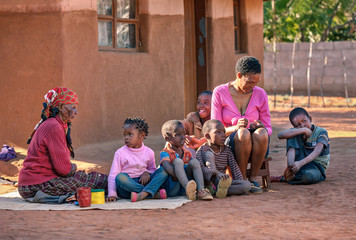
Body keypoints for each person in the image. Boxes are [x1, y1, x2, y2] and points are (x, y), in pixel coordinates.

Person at [18, 87, 108, 202]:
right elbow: (64, 170)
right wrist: (73, 168)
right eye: (73, 107)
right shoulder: (55, 127)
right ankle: (126, 186)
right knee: (94, 180)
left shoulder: (53, 124)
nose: (76, 112)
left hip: (30, 184)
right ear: (61, 107)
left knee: (85, 178)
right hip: (36, 185)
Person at [211, 56, 271, 194]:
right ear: (239, 75)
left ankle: (253, 178)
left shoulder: (260, 94)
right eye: (249, 82)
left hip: (258, 146)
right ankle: (242, 178)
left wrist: (260, 126)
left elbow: (268, 127)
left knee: (262, 133)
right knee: (242, 133)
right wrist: (236, 128)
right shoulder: (220, 92)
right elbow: (215, 129)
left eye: (256, 83)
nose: (252, 86)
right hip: (230, 143)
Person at [107, 117, 168, 202]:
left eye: (130, 134)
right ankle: (149, 193)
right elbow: (113, 175)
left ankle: (142, 194)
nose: (126, 137)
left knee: (163, 171)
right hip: (127, 188)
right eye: (124, 135)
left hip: (143, 181)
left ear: (142, 135)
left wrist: (147, 172)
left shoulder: (149, 152)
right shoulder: (120, 153)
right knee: (120, 177)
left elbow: (152, 170)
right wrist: (112, 194)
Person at [272, 107, 330, 184]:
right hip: (297, 165)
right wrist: (303, 130)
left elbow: (317, 151)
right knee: (291, 134)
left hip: (316, 167)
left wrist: (300, 163)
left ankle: (285, 178)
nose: (302, 125)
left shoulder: (321, 132)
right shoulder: (298, 131)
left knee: (307, 177)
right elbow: (280, 135)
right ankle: (290, 168)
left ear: (310, 119)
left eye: (304, 121)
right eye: (297, 125)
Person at [160, 120, 213, 201]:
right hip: (173, 187)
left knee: (194, 162)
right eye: (178, 135)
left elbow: (194, 168)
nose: (183, 137)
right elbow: (166, 166)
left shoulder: (186, 152)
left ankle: (201, 191)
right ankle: (188, 189)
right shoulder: (165, 152)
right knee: (178, 162)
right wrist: (179, 175)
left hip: (184, 186)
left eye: (184, 133)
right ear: (168, 138)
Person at [196, 119, 251, 198]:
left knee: (246, 185)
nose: (223, 135)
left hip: (223, 181)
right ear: (207, 136)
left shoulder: (227, 150)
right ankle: (213, 189)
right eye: (218, 132)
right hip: (209, 182)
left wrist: (241, 182)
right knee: (209, 155)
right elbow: (200, 170)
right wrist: (217, 173)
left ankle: (219, 191)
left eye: (224, 132)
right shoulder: (202, 150)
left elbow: (235, 169)